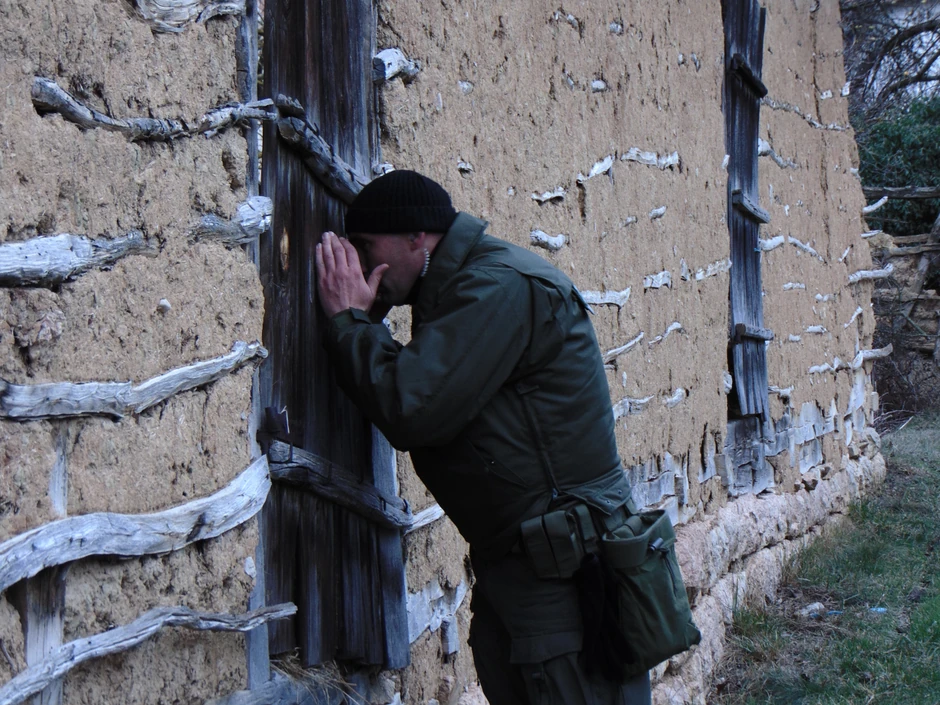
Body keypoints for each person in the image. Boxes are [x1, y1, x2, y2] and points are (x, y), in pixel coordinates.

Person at [315, 169, 652, 705]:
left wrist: (353, 324)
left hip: (568, 583)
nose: (357, 263)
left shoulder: (494, 287)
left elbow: (413, 406)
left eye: (363, 246)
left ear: (416, 237)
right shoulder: (460, 288)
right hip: (528, 574)